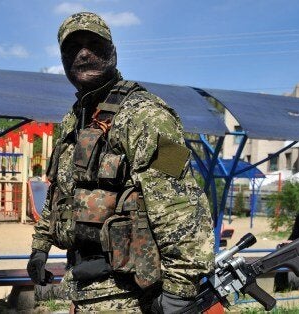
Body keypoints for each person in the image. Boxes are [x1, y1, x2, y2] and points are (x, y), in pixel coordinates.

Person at [27, 12, 214, 313]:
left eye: (94, 45)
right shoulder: (73, 119)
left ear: (112, 52)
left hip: (131, 297)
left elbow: (181, 205)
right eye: (72, 48)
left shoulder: (146, 116)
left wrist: (180, 291)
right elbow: (59, 193)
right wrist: (40, 248)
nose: (83, 53)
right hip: (84, 289)